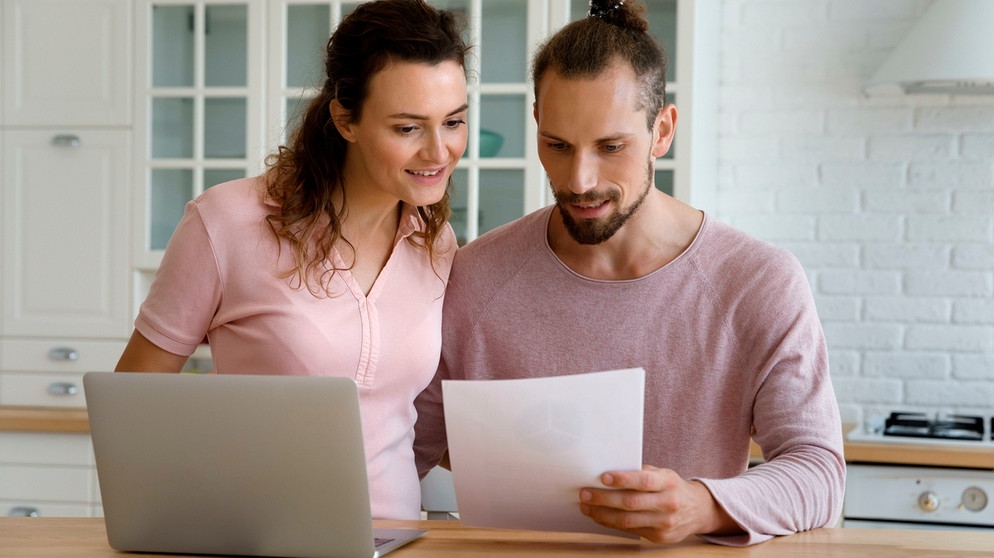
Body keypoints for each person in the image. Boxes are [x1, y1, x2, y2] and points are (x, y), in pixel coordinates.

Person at [413, 0, 845, 546]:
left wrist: (703, 504)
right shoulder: (474, 277)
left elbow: (820, 473)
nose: (580, 178)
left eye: (611, 146)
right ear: (537, 124)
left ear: (662, 131)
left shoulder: (757, 282)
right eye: (558, 146)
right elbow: (405, 450)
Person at [115, 0, 469, 520]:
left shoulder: (435, 242)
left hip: (398, 539)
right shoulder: (228, 222)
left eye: (454, 122)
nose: (439, 152)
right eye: (407, 128)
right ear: (346, 119)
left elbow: (414, 422)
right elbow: (129, 405)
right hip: (251, 538)